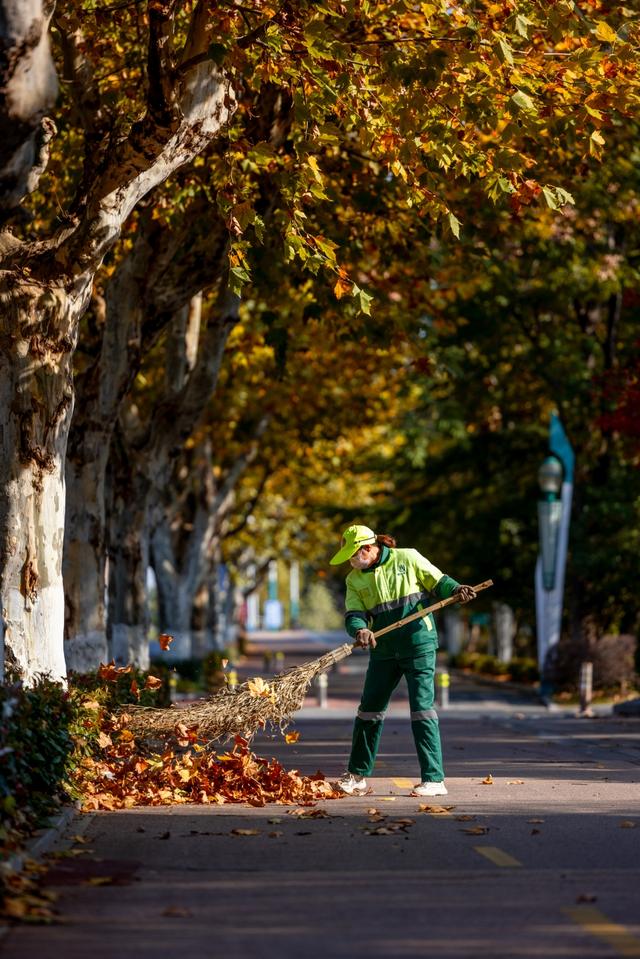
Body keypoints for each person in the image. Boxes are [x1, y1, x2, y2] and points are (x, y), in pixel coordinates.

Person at [329, 524, 476, 797]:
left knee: (422, 709)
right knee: (368, 710)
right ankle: (357, 775)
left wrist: (457, 589)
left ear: (369, 548)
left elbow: (439, 582)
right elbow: (354, 614)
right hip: (383, 649)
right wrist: (360, 629)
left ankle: (434, 779)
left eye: (353, 555)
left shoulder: (408, 558)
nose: (351, 561)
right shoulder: (354, 580)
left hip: (419, 644)